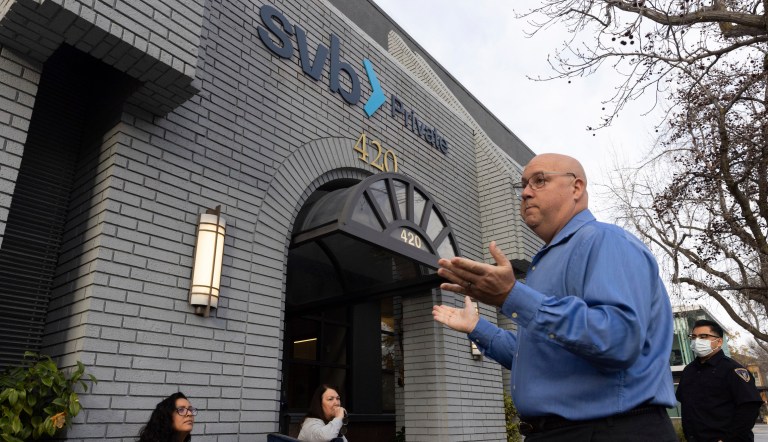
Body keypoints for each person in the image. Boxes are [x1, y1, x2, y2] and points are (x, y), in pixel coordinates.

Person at [432, 153, 678, 441]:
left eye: (539, 181)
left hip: (610, 430)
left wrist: (511, 295)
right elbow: (542, 358)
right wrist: (477, 327)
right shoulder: (544, 262)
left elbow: (617, 339)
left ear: (576, 188)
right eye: (523, 184)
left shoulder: (605, 240)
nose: (525, 192)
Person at [676, 319, 763, 442]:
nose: (697, 341)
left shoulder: (733, 370)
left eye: (703, 336)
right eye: (693, 337)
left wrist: (726, 439)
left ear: (719, 342)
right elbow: (686, 405)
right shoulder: (688, 371)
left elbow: (749, 409)